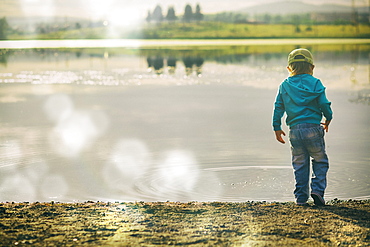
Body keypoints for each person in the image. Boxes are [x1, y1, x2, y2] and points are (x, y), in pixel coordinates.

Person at [272, 48, 333, 206]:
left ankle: (300, 198)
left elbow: (278, 107)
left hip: (294, 131)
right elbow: (324, 104)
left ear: (289, 68)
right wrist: (328, 117)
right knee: (320, 160)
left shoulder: (285, 85)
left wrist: (277, 127)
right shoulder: (316, 83)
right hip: (313, 128)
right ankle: (317, 191)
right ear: (312, 67)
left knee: (299, 163)